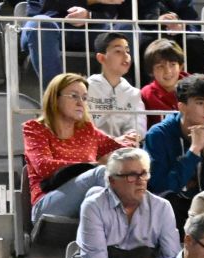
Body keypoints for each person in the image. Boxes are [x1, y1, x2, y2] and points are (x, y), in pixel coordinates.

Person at [24, 73, 134, 223]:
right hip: (47, 203)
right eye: (74, 96)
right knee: (101, 172)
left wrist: (131, 140)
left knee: (97, 192)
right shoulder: (35, 129)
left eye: (84, 98)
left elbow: (118, 145)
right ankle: (134, 223)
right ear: (55, 98)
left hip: (84, 203)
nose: (80, 103)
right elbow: (43, 166)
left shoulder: (87, 131)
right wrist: (89, 167)